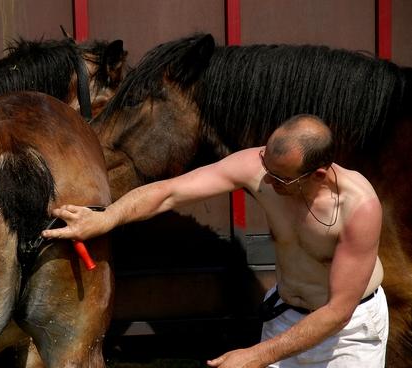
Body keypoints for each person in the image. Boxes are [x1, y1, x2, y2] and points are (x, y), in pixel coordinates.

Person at [42, 114, 388, 367]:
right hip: (285, 316)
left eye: (280, 179)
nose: (266, 181)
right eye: (265, 166)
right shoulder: (261, 167)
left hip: (348, 333)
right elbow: (170, 193)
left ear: (318, 174)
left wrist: (255, 355)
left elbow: (337, 312)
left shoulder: (359, 209)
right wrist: (107, 217)